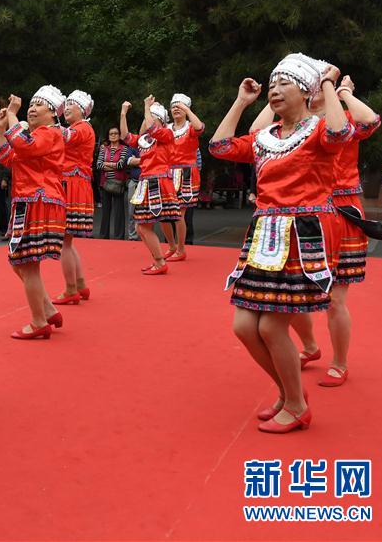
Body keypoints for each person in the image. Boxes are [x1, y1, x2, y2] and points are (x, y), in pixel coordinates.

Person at [209, 54, 352, 433]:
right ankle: (289, 393)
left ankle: (295, 402)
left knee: (272, 328)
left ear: (304, 91)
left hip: (302, 236)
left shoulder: (319, 130)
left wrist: (325, 83)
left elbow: (341, 134)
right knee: (243, 326)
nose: (273, 90)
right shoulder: (265, 137)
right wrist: (242, 101)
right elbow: (219, 147)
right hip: (264, 236)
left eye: (283, 83)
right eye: (272, 84)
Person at [248, 73, 381, 389]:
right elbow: (255, 134)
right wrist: (275, 93)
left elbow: (371, 121)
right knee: (289, 291)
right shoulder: (290, 128)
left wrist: (343, 91)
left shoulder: (341, 121)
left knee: (336, 298)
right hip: (302, 213)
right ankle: (309, 345)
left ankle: (340, 361)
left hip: (341, 208)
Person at [0, 87, 66, 339]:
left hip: (38, 200)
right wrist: (2, 127)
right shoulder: (39, 136)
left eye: (38, 105)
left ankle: (38, 321)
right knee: (19, 261)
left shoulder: (49, 133)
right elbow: (6, 156)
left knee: (26, 263)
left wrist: (13, 114)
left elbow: (23, 144)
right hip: (29, 201)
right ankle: (47, 309)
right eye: (31, 104)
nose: (32, 108)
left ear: (53, 112)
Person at [120, 97, 182, 274]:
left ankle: (160, 262)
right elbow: (125, 136)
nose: (146, 122)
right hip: (147, 182)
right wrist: (123, 113)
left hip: (158, 181)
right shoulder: (144, 140)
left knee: (144, 226)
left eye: (150, 118)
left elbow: (153, 128)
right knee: (141, 227)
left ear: (160, 121)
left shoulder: (166, 134)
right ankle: (159, 259)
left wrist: (147, 106)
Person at [53, 90, 96, 304]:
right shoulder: (80, 127)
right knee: (67, 241)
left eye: (72, 105)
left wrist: (48, 120)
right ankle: (80, 284)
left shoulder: (82, 128)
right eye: (66, 104)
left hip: (72, 184)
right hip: (75, 183)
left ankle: (71, 289)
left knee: (64, 242)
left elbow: (66, 136)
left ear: (82, 110)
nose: (66, 108)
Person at [160, 93, 204, 261]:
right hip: (168, 173)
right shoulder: (167, 129)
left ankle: (181, 249)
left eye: (180, 106)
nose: (176, 109)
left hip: (186, 173)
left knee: (179, 214)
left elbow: (200, 127)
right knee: (163, 214)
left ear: (187, 109)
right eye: (173, 106)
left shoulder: (191, 128)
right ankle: (171, 246)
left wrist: (186, 109)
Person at [95, 126, 130, 240]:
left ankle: (119, 236)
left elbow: (121, 165)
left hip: (118, 183)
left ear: (119, 135)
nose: (113, 135)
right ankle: (103, 235)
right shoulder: (104, 149)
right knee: (105, 211)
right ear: (108, 136)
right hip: (105, 183)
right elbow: (99, 165)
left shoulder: (124, 148)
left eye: (115, 133)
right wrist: (114, 166)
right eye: (111, 134)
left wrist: (107, 164)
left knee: (119, 211)